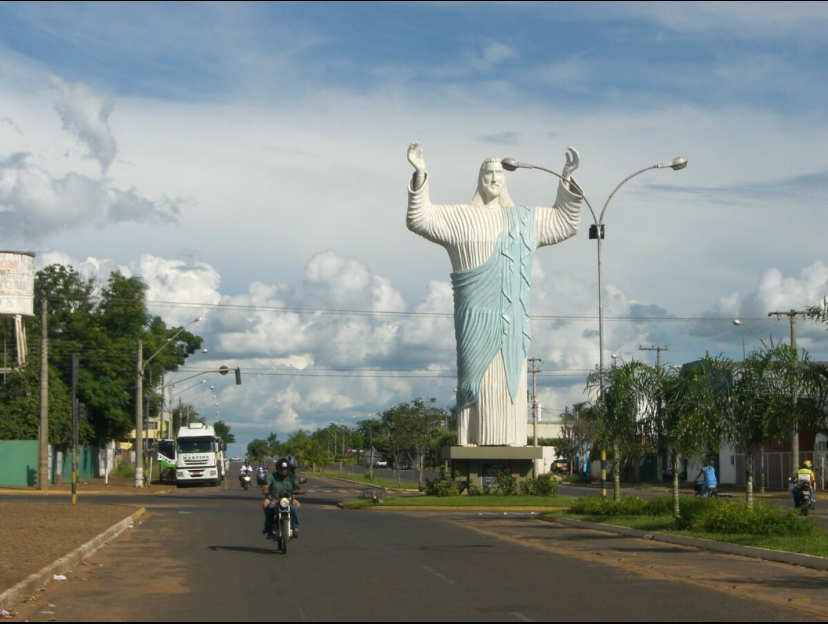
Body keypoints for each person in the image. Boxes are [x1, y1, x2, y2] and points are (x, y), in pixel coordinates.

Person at [406, 143, 583, 446]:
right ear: (479, 179)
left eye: (499, 174)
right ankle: (472, 438)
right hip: (473, 318)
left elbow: (565, 222)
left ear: (505, 181)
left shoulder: (524, 220)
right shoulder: (460, 218)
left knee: (508, 380)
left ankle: (511, 440)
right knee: (474, 378)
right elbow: (419, 219)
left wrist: (566, 179)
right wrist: (420, 174)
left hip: (512, 322)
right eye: (488, 173)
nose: (494, 179)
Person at [262, 457, 301, 538]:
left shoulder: (291, 477)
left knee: (295, 508)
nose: (284, 470)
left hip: (289, 499)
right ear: (277, 468)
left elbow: (298, 486)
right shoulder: (271, 476)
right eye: (282, 468)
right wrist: (267, 492)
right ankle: (268, 529)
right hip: (275, 499)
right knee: (270, 508)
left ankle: (295, 528)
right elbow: (266, 487)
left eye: (286, 469)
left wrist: (299, 490)